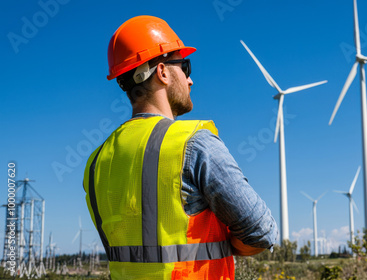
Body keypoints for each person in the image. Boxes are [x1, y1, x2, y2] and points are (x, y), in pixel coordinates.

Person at [83, 15, 278, 279]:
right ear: (162, 72)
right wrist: (220, 245)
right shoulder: (194, 143)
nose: (190, 80)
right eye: (185, 67)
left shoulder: (97, 162)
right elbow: (261, 232)